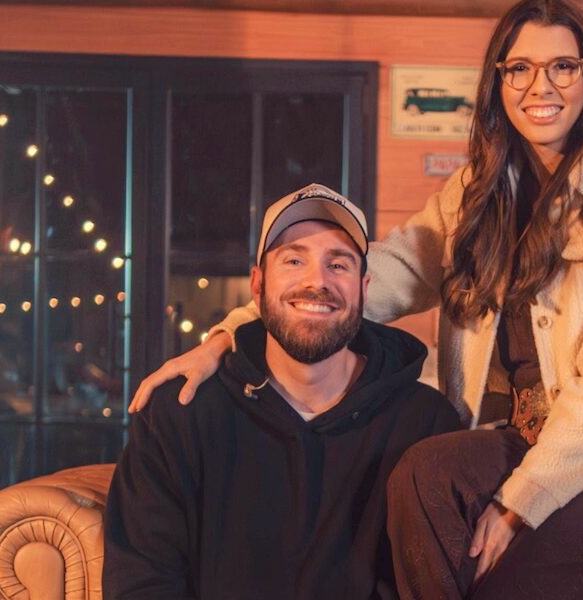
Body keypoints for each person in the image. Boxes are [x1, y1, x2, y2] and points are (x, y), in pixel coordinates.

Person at [128, 0, 583, 597]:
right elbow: (372, 278)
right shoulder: (476, 193)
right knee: (424, 473)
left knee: (501, 582)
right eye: (520, 68)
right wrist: (230, 335)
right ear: (499, 81)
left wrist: (518, 504)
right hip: (524, 435)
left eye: (563, 66)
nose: (541, 86)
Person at [103, 183, 461, 599]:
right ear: (257, 286)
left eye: (338, 264)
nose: (317, 281)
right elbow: (141, 582)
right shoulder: (179, 415)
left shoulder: (424, 423)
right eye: (294, 260)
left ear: (365, 289)